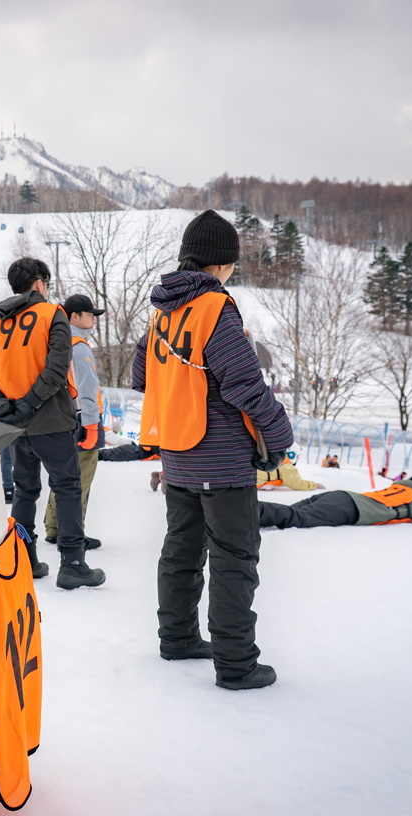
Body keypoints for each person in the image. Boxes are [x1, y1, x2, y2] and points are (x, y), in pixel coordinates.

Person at [132, 209, 293, 691]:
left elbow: (142, 376)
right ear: (222, 264)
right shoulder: (215, 308)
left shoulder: (162, 311)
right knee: (233, 558)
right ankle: (237, 663)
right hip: (221, 459)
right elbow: (246, 385)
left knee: (181, 550)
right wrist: (279, 437)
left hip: (177, 452)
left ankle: (178, 638)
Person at [0, 257, 104, 590]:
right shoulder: (51, 314)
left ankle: (24, 560)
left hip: (11, 424)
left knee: (24, 490)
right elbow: (58, 367)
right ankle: (73, 563)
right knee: (67, 487)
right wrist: (30, 403)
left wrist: (2, 403)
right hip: (51, 418)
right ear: (40, 283)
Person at [44, 293, 106, 551]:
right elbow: (87, 388)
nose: (93, 318)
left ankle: (54, 527)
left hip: (63, 416)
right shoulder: (78, 346)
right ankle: (73, 532)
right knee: (81, 477)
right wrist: (92, 425)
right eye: (89, 314)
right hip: (83, 419)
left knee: (64, 475)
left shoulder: (54, 341)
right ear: (74, 317)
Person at [259, 475, 412, 529]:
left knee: (289, 512)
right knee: (299, 519)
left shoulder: (399, 487)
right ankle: (249, 512)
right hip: (350, 508)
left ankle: (251, 516)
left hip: (340, 496)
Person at [256, 451, 321, 490]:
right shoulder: (286, 466)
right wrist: (314, 485)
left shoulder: (274, 461)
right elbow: (296, 484)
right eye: (297, 457)